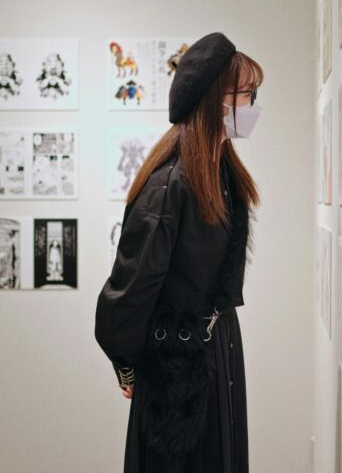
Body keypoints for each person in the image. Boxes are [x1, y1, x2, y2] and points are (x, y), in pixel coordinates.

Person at [95, 32, 264, 473]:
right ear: (215, 100)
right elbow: (129, 289)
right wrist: (126, 364)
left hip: (217, 358)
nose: (253, 104)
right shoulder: (169, 185)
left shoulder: (221, 172)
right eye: (247, 93)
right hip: (179, 377)